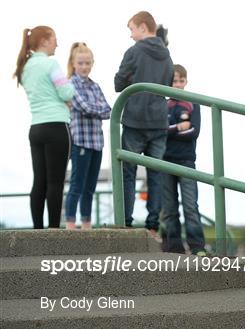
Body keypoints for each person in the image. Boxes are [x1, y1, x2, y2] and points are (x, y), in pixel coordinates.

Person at [114, 11, 174, 238]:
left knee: (128, 173)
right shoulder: (167, 54)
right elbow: (168, 83)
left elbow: (119, 82)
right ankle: (152, 227)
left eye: (131, 29)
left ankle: (126, 224)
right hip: (159, 121)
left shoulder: (134, 51)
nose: (130, 35)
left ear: (142, 27)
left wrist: (133, 80)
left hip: (135, 120)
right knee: (155, 174)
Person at [14, 26, 74, 229]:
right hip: (57, 126)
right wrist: (68, 94)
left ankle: (37, 231)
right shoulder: (51, 64)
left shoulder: (25, 67)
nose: (57, 43)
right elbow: (66, 92)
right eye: (55, 39)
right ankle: (54, 231)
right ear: (45, 41)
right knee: (55, 182)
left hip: (36, 128)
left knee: (39, 180)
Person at [161, 64, 207, 256]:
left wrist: (172, 129)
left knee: (190, 206)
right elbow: (160, 131)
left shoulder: (192, 103)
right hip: (164, 161)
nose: (177, 85)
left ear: (186, 82)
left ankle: (197, 247)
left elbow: (193, 132)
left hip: (187, 161)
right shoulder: (162, 105)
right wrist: (177, 127)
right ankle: (174, 248)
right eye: (174, 81)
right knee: (169, 208)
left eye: (181, 81)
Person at [64, 43, 111, 230]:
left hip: (97, 143)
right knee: (76, 184)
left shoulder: (95, 86)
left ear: (92, 63)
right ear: (74, 63)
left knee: (90, 187)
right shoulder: (70, 84)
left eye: (87, 63)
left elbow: (108, 111)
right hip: (80, 141)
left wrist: (95, 110)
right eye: (81, 63)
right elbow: (84, 107)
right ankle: (70, 224)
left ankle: (86, 224)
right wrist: (96, 110)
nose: (84, 67)